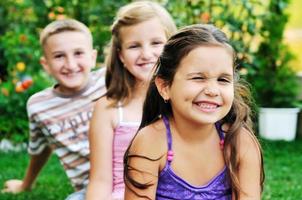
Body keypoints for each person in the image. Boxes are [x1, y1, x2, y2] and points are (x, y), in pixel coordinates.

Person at [124, 24, 265, 200]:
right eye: (198, 78)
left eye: (223, 79)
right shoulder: (151, 142)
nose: (213, 90)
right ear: (165, 87)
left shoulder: (239, 142)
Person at [1, 19, 106, 200]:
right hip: (87, 189)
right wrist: (26, 184)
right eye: (59, 56)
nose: (70, 64)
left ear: (93, 57)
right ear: (45, 64)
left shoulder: (109, 81)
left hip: (132, 175)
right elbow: (40, 147)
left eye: (78, 53)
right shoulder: (39, 105)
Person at [85, 1, 177, 200]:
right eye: (134, 46)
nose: (146, 54)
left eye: (156, 43)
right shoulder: (108, 108)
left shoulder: (182, 103)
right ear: (121, 56)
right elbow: (100, 181)